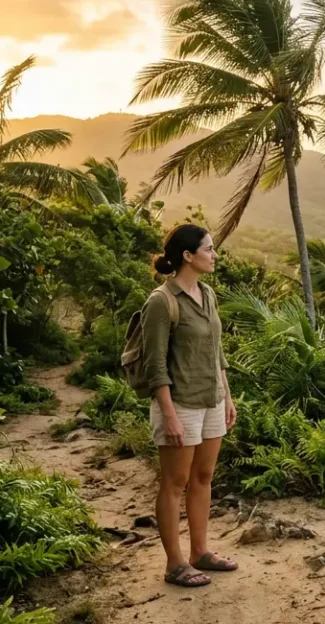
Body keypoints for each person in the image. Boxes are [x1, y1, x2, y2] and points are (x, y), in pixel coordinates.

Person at [140, 224, 238, 587]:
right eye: (209, 249)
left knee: (203, 477)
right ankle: (174, 563)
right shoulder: (161, 302)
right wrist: (169, 416)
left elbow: (217, 353)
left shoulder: (208, 294)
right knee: (174, 482)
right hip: (179, 404)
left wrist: (226, 397)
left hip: (211, 400)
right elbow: (155, 366)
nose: (214, 255)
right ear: (187, 256)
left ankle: (200, 552)